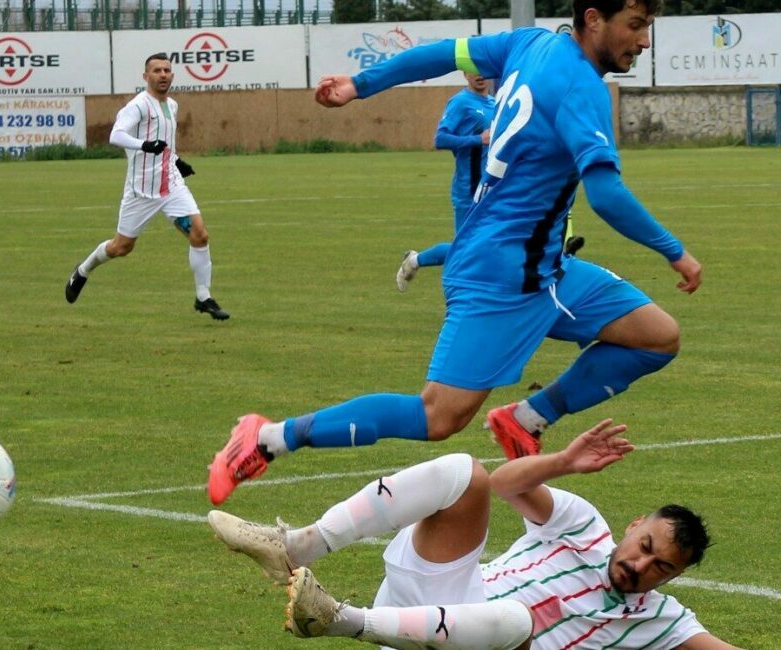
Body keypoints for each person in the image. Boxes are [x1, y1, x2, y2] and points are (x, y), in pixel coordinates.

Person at [207, 0, 701, 505]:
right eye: (636, 26)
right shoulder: (582, 88)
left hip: (544, 266)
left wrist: (360, 85)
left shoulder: (530, 43)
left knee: (657, 337)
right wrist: (674, 251)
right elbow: (607, 194)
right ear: (594, 19)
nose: (643, 41)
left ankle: (524, 419)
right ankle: (268, 438)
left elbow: (444, 53)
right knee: (438, 416)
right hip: (502, 274)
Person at [209, 419, 742, 649]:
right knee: (465, 471)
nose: (642, 566)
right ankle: (297, 547)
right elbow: (506, 483)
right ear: (633, 528)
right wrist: (561, 462)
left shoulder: (658, 621)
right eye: (646, 547)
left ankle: (337, 620)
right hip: (431, 602)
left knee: (519, 622)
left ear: (671, 579)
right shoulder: (582, 525)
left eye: (661, 569)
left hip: (483, 645)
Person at [64, 52, 229, 320]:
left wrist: (176, 161)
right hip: (142, 191)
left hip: (171, 186)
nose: (163, 75)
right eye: (157, 71)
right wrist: (143, 145)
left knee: (200, 234)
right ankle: (83, 270)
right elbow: (115, 135)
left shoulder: (172, 105)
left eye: (166, 70)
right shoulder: (139, 105)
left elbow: (164, 142)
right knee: (121, 247)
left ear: (172, 75)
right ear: (146, 77)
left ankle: (204, 297)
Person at [396, 71, 495, 292]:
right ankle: (415, 261)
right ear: (465, 73)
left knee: (489, 248)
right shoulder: (460, 102)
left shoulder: (495, 103)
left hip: (492, 190)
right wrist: (478, 139)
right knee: (466, 251)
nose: (479, 74)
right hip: (468, 189)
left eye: (483, 68)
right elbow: (440, 139)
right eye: (473, 69)